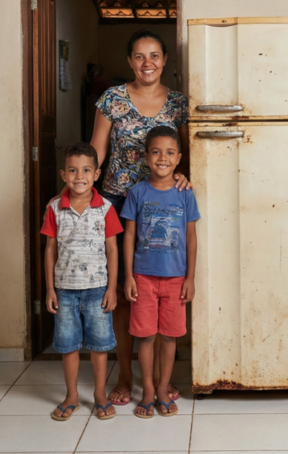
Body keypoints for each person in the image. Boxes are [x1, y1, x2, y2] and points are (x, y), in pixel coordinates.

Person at [90, 29, 190, 407]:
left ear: (165, 60)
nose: (147, 63)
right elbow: (97, 152)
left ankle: (160, 380)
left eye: (154, 56)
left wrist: (184, 176)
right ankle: (127, 375)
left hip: (164, 206)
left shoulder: (179, 103)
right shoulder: (112, 100)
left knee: (162, 288)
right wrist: (85, 194)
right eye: (139, 56)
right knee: (123, 289)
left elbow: (187, 152)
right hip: (118, 202)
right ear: (130, 61)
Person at [122, 127, 200, 418]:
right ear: (145, 157)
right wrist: (129, 275)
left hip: (176, 278)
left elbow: (191, 237)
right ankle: (149, 392)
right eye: (155, 152)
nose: (162, 158)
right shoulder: (137, 192)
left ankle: (164, 388)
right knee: (145, 337)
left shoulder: (185, 194)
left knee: (169, 337)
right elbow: (129, 235)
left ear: (178, 158)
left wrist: (191, 277)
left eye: (169, 153)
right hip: (142, 276)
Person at [42, 143, 123, 421]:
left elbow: (113, 249)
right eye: (73, 170)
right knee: (68, 345)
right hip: (64, 291)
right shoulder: (54, 208)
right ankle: (72, 396)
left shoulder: (106, 208)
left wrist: (112, 288)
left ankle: (99, 394)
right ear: (64, 175)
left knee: (100, 346)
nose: (80, 176)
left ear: (97, 173)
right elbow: (50, 250)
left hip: (98, 289)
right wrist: (50, 289)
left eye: (86, 170)